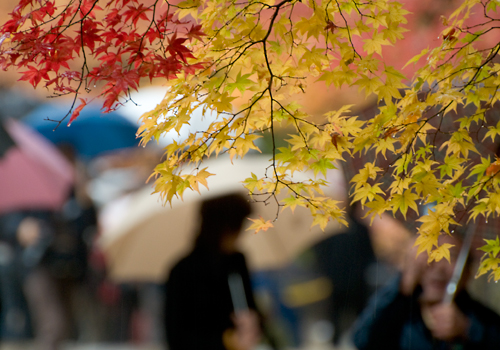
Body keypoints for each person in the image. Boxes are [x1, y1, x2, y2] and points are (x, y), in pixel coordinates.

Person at [352, 232, 500, 350]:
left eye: (451, 255)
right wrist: (404, 286)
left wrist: (469, 330)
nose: (438, 266)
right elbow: (363, 341)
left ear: (468, 271)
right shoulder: (399, 308)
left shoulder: (482, 319)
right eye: (428, 253)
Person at [165, 193, 262, 350]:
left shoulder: (237, 262)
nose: (240, 236)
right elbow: (177, 336)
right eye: (237, 227)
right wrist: (226, 341)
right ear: (223, 227)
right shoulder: (183, 271)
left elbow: (250, 306)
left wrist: (255, 322)